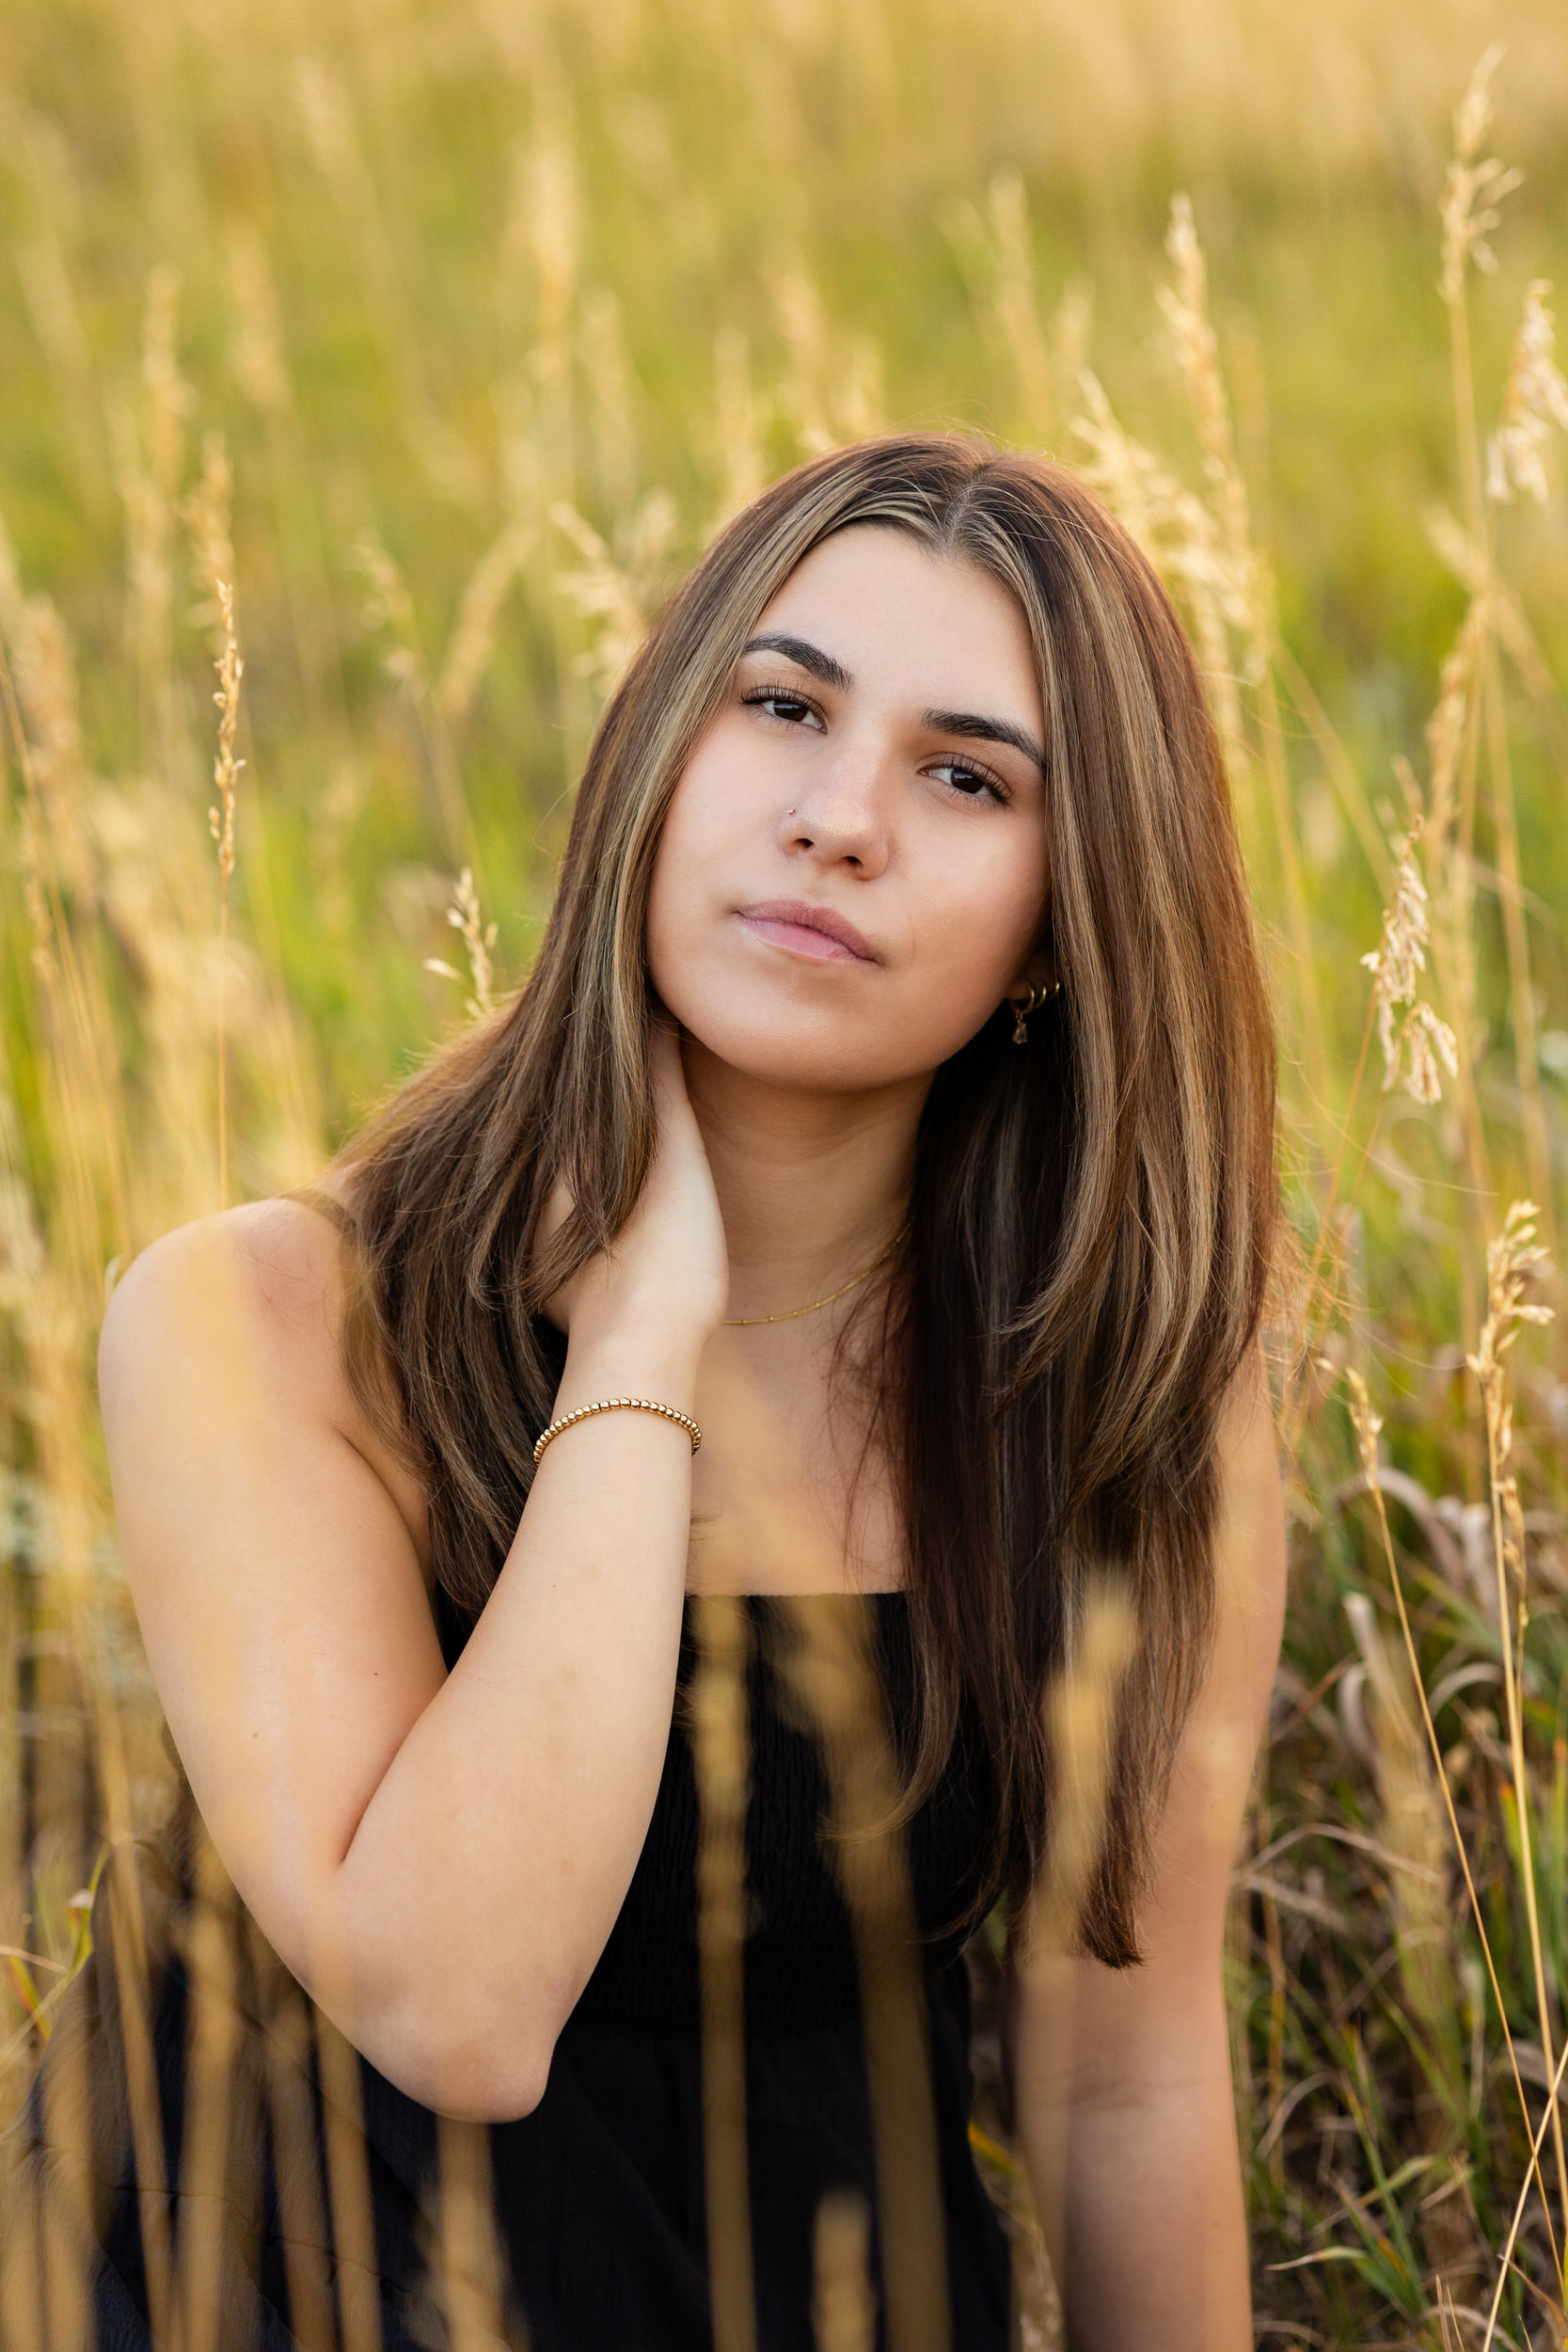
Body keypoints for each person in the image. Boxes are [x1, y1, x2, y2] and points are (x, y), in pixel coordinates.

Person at [9, 434, 1285, 2350]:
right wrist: (638, 1338)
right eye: (782, 706)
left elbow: (1127, 2081)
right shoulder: (259, 1320)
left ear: (1062, 922)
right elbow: (461, 2004)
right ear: (660, 751)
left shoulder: (1121, 1368)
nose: (839, 818)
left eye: (964, 775)